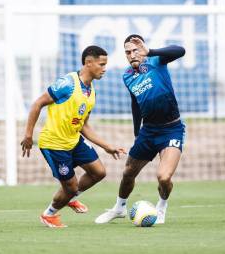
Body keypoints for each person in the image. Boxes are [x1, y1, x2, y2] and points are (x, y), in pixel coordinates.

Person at [21, 45, 126, 228]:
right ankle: (49, 214)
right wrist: (28, 135)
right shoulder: (68, 83)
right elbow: (38, 103)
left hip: (74, 140)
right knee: (70, 186)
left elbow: (84, 125)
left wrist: (106, 146)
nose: (104, 68)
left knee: (99, 172)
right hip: (54, 144)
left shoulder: (91, 92)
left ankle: (70, 197)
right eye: (101, 64)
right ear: (88, 63)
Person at [95, 34, 186, 225]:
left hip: (171, 129)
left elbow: (181, 50)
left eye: (135, 50)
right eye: (128, 52)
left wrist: (150, 51)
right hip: (148, 131)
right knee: (128, 172)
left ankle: (161, 207)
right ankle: (119, 208)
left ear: (143, 48)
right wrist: (137, 133)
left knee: (163, 177)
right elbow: (136, 104)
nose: (132, 54)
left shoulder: (157, 59)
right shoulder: (127, 75)